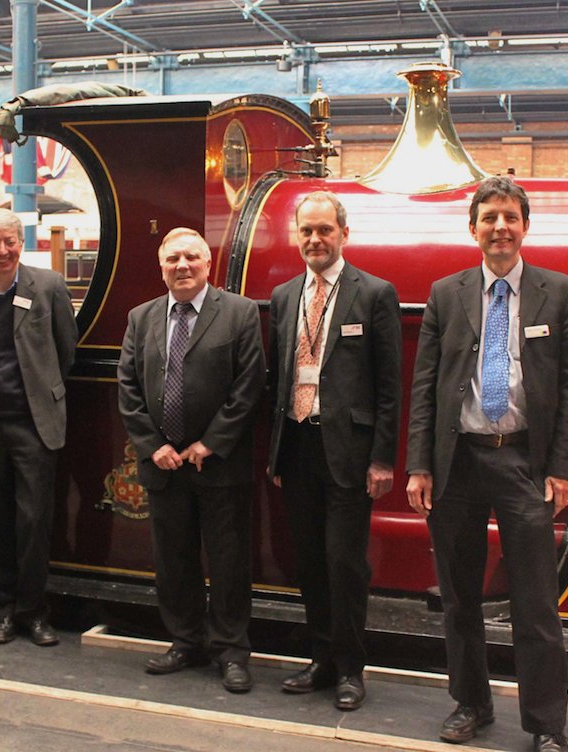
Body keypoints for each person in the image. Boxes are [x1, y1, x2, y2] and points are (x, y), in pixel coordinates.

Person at [405, 176, 568, 752]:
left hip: (523, 464)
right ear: (474, 229)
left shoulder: (560, 292)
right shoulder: (445, 292)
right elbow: (425, 385)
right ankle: (471, 704)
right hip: (456, 462)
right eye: (489, 218)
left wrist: (561, 467)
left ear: (525, 225)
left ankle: (546, 725)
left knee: (535, 602)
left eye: (510, 217)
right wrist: (419, 465)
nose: (500, 228)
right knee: (459, 596)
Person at [268, 191, 401, 711]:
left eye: (325, 230)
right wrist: (276, 454)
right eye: (306, 231)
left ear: (344, 234)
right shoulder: (283, 297)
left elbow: (390, 385)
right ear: (296, 236)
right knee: (309, 562)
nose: (315, 239)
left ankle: (351, 668)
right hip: (298, 445)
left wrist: (383, 458)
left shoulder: (373, 294)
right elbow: (277, 378)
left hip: (349, 451)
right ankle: (321, 659)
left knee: (345, 563)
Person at [117, 227, 265, 693]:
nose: (182, 265)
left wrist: (211, 442)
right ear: (161, 266)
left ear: (208, 263)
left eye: (192, 257)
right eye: (173, 258)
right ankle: (184, 641)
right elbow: (128, 389)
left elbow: (249, 386)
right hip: (164, 466)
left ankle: (231, 651)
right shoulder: (140, 318)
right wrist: (152, 445)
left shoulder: (239, 313)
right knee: (173, 560)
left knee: (228, 561)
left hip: (218, 464)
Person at [0, 209, 77, 646]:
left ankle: (34, 612)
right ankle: (3, 610)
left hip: (33, 425)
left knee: (33, 522)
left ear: (21, 243)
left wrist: (39, 394)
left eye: (10, 242)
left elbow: (66, 352)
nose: (2, 251)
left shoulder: (49, 287)